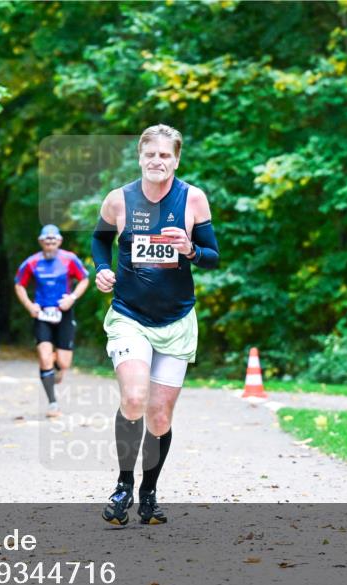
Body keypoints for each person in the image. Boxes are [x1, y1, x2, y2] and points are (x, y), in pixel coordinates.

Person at [90, 124, 219, 526]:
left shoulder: (193, 198)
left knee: (159, 416)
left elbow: (213, 256)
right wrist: (102, 269)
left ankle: (149, 493)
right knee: (133, 398)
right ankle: (123, 485)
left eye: (165, 155)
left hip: (177, 319)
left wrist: (191, 249)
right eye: (151, 154)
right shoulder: (119, 199)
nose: (157, 161)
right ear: (140, 156)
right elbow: (99, 239)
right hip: (130, 315)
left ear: (176, 159)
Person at [14, 224, 90, 418]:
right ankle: (52, 403)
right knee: (44, 357)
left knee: (64, 363)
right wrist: (29, 305)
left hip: (63, 313)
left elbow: (84, 279)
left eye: (53, 239)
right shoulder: (32, 262)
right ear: (41, 241)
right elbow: (19, 284)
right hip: (41, 315)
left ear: (59, 241)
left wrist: (71, 298)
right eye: (46, 239)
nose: (50, 242)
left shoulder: (69, 259)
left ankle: (56, 367)